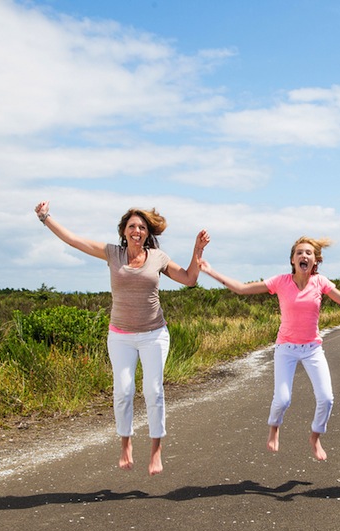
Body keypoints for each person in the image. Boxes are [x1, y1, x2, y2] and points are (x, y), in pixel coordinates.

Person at [33, 200, 210, 475]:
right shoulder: (112, 254)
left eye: (141, 227)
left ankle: (155, 450)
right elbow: (73, 240)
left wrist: (197, 251)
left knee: (153, 391)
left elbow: (189, 279)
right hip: (120, 336)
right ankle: (125, 444)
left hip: (154, 334)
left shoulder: (157, 258)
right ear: (124, 231)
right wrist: (46, 218)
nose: (137, 230)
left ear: (147, 233)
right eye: (132, 226)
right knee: (124, 391)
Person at [198, 237, 340, 461]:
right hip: (286, 348)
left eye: (308, 253)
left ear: (315, 260)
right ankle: (274, 429)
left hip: (312, 348)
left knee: (327, 398)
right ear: (292, 260)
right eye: (299, 253)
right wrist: (211, 271)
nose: (303, 256)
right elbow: (241, 289)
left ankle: (315, 437)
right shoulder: (281, 281)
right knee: (282, 399)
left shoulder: (321, 282)